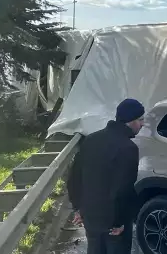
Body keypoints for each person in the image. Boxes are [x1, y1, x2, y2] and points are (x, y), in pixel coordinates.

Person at [67, 99, 144, 254]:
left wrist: (78, 208)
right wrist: (120, 222)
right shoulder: (128, 148)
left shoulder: (90, 140)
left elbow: (74, 178)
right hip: (114, 224)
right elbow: (123, 190)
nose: (143, 124)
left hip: (91, 219)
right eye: (141, 119)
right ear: (130, 120)